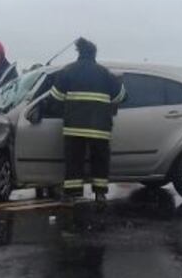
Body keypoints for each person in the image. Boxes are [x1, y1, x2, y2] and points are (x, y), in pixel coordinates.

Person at [48, 37, 126, 204]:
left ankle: (72, 193)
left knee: (74, 160)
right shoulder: (105, 73)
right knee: (100, 160)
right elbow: (121, 96)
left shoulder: (68, 71)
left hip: (74, 127)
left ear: (79, 53)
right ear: (94, 54)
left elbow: (55, 97)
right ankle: (100, 194)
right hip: (100, 128)